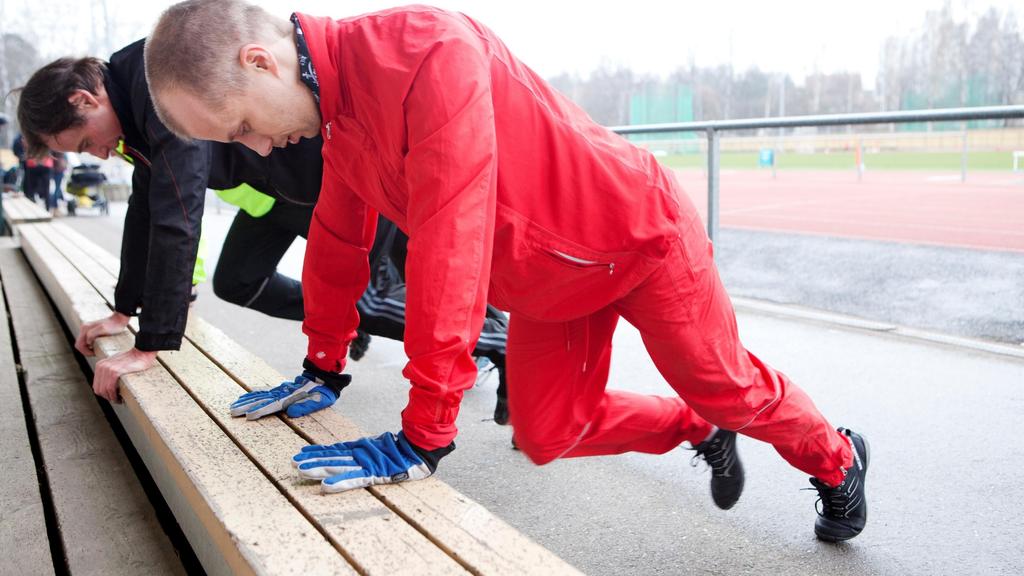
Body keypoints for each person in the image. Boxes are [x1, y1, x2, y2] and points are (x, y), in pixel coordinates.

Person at [146, 0, 869, 542]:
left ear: (259, 61)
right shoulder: (339, 117)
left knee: (726, 384)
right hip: (550, 286)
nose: (261, 150)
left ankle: (837, 459)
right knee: (544, 434)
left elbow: (449, 242)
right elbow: (338, 239)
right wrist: (323, 365)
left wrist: (425, 432)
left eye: (242, 127)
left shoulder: (428, 49)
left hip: (639, 237)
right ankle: (696, 431)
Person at [15, 43, 511, 423]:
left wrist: (152, 343)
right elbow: (144, 209)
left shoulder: (157, 85)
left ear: (85, 98)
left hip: (347, 177)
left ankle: (493, 338)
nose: (98, 155)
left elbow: (178, 213)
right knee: (238, 281)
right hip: (279, 191)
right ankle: (458, 326)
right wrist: (126, 308)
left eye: (85, 142)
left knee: (371, 295)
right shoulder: (130, 111)